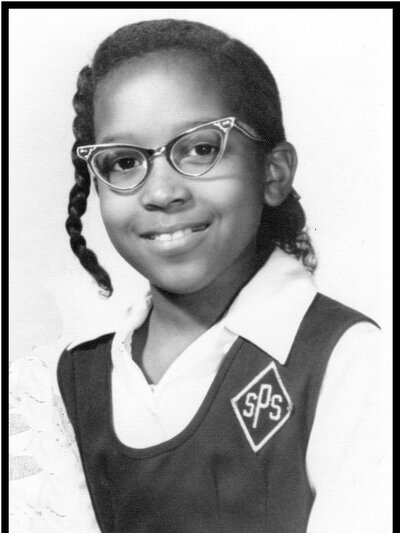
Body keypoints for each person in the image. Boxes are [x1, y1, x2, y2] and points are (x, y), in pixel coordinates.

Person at [12, 18, 386, 533]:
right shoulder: (66, 380)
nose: (162, 192)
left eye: (200, 149)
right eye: (123, 162)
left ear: (273, 173)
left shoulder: (346, 360)